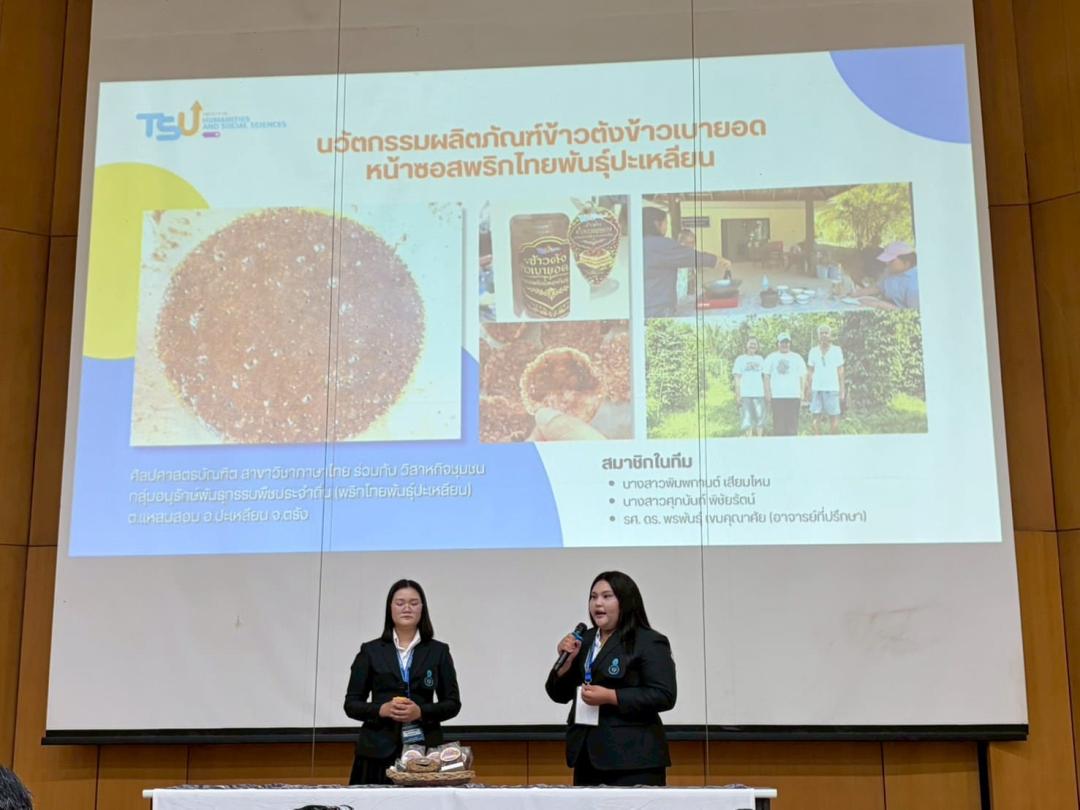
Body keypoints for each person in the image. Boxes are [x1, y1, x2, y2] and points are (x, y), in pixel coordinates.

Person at [545, 571, 677, 786]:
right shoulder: (585, 640)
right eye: (593, 597)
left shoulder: (649, 641)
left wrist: (611, 696)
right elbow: (558, 695)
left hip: (632, 760)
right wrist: (565, 665)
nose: (598, 603)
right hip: (586, 756)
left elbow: (664, 695)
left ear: (625, 601)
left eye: (607, 596)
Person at [344, 580, 461, 785]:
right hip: (376, 752)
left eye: (414, 603)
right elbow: (351, 704)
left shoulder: (438, 651)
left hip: (425, 754)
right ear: (390, 608)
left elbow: (452, 703)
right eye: (400, 603)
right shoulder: (370, 651)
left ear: (422, 608)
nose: (407, 608)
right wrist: (381, 710)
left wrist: (421, 712)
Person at [642, 207, 725, 318]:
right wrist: (716, 260)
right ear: (657, 224)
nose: (666, 227)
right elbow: (691, 256)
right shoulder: (661, 245)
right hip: (658, 309)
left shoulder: (636, 242)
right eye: (666, 223)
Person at [764, 332, 808, 436]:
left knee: (792, 426)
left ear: (790, 343)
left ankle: (792, 445)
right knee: (778, 426)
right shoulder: (771, 357)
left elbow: (803, 376)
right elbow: (766, 376)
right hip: (777, 396)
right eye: (782, 342)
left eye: (787, 342)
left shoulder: (797, 357)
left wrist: (802, 392)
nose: (785, 344)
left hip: (794, 396)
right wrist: (767, 392)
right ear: (778, 343)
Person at [806, 324, 845, 435]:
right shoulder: (813, 351)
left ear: (830, 335)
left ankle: (832, 441)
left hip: (832, 389)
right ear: (818, 336)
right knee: (815, 417)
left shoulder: (837, 350)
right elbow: (810, 371)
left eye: (826, 333)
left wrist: (842, 390)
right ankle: (818, 441)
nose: (824, 335)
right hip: (816, 389)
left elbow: (841, 371)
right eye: (821, 333)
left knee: (834, 417)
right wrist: (808, 388)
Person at [864, 241, 918, 309]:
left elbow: (913, 313)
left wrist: (881, 304)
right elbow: (878, 287)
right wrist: (855, 295)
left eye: (891, 261)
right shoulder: (890, 271)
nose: (887, 263)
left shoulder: (915, 283)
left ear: (907, 262)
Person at [732, 337, 766, 437]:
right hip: (745, 394)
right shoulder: (740, 359)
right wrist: (738, 394)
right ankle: (749, 440)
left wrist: (766, 392)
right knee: (747, 420)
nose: (752, 346)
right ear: (746, 345)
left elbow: (764, 377)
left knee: (760, 419)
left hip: (759, 394)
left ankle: (759, 439)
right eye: (751, 343)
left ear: (757, 347)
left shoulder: (760, 359)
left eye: (755, 344)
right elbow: (737, 378)